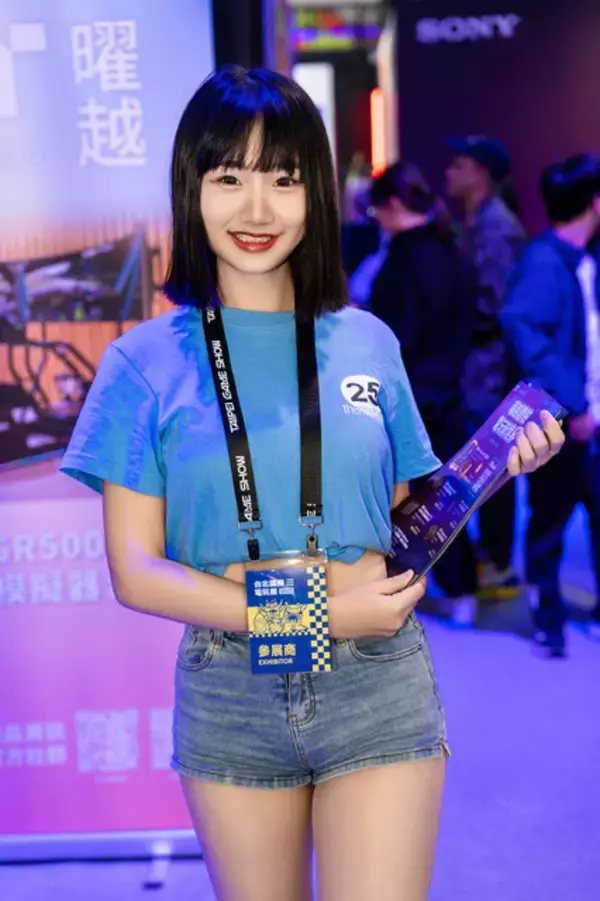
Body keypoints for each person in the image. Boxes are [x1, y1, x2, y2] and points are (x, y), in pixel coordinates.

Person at [59, 66, 564, 901]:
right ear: (192, 189)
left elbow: (404, 518)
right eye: (230, 178)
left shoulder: (367, 340)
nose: (257, 209)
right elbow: (135, 571)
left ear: (316, 195)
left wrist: (499, 469)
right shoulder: (141, 364)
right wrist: (317, 613)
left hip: (377, 677)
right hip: (232, 687)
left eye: (284, 180)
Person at [368, 161, 481, 625]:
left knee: (407, 498)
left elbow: (393, 336)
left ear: (393, 205)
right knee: (445, 496)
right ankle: (461, 587)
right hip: (448, 388)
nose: (375, 218)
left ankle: (415, 584)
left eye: (377, 209)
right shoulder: (447, 247)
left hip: (409, 394)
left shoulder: (404, 258)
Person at [501, 153, 600, 657]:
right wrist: (575, 405)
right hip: (564, 421)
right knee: (548, 524)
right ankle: (548, 620)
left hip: (590, 417)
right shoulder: (543, 262)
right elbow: (526, 335)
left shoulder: (586, 258)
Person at [446, 135, 527, 599]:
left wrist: (451, 326)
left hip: (487, 369)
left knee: (494, 464)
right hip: (475, 366)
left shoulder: (496, 226)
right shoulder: (476, 220)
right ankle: (491, 558)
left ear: (480, 173)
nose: (449, 172)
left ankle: (497, 563)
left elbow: (494, 307)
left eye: (458, 164)